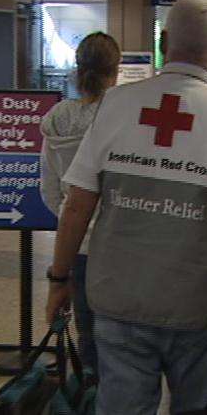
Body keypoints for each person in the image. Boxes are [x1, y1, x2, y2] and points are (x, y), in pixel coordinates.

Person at [44, 0, 207, 415]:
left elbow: (77, 205)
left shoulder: (115, 105)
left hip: (118, 299)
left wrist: (59, 280)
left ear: (164, 42)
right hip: (194, 304)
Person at [40, 32, 121, 372]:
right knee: (120, 337)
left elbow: (50, 189)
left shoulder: (58, 119)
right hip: (119, 242)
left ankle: (90, 396)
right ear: (115, 70)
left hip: (76, 243)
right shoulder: (120, 116)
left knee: (87, 335)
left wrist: (68, 216)